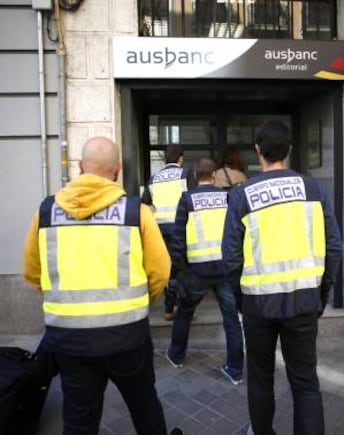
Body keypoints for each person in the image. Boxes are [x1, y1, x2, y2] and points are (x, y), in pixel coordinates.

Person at [23, 137, 171, 435]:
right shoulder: (136, 212)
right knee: (144, 408)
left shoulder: (46, 212)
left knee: (79, 420)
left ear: (80, 167)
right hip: (128, 336)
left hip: (69, 340)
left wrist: (66, 307)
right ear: (117, 170)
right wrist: (140, 304)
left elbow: (32, 272)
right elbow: (160, 272)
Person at [222, 120, 342, 435]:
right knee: (305, 382)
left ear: (258, 151)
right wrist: (322, 295)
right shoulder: (314, 189)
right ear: (289, 150)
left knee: (260, 377)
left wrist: (240, 300)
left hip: (258, 305)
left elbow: (231, 257)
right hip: (304, 299)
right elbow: (334, 248)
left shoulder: (242, 194)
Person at [166, 157, 244, 385]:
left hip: (197, 271)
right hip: (224, 268)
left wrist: (178, 275)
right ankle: (235, 369)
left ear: (194, 177)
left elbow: (178, 242)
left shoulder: (187, 199)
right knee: (231, 318)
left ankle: (176, 356)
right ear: (214, 176)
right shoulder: (228, 197)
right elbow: (237, 233)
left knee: (184, 313)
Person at [141, 144, 196, 320]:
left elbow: (145, 204)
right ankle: (182, 308)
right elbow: (194, 199)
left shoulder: (153, 179)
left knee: (169, 269)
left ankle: (168, 309)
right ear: (180, 158)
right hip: (181, 228)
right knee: (184, 270)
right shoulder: (185, 174)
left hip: (161, 230)